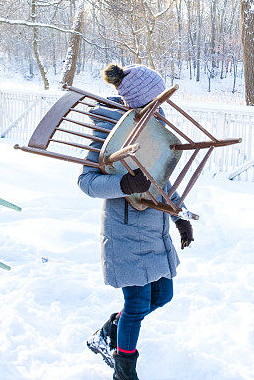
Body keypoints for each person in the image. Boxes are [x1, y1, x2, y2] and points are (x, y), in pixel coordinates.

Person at [80, 64, 194, 380]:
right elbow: (86, 182)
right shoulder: (108, 132)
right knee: (137, 304)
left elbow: (163, 177)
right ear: (137, 102)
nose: (161, 107)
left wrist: (180, 215)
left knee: (163, 296)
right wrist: (122, 185)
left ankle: (108, 333)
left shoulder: (157, 126)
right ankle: (124, 371)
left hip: (155, 228)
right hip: (126, 231)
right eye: (155, 101)